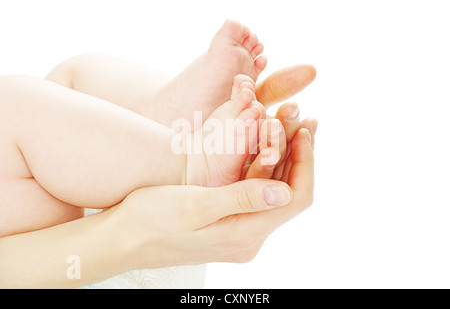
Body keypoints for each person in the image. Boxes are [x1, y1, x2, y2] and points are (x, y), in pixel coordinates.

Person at [0, 20, 317, 288]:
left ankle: (165, 122)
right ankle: (189, 166)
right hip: (61, 264)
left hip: (103, 236)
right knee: (11, 110)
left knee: (72, 76)